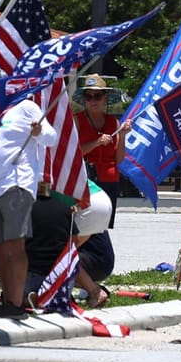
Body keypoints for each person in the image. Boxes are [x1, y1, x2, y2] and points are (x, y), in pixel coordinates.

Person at [0, 87, 57, 318]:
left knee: (14, 245)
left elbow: (51, 138)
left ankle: (15, 301)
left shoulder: (25, 107)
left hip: (17, 184)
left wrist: (38, 131)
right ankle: (8, 296)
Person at [75, 75, 124, 226]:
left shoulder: (113, 122)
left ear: (105, 98)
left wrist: (122, 135)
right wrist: (96, 143)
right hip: (86, 180)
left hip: (109, 179)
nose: (93, 100)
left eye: (97, 96)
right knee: (85, 224)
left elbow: (119, 159)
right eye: (88, 96)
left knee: (105, 225)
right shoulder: (77, 120)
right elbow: (74, 154)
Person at [72, 179, 116, 307]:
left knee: (58, 255)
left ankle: (94, 291)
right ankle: (91, 288)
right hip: (96, 197)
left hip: (94, 262)